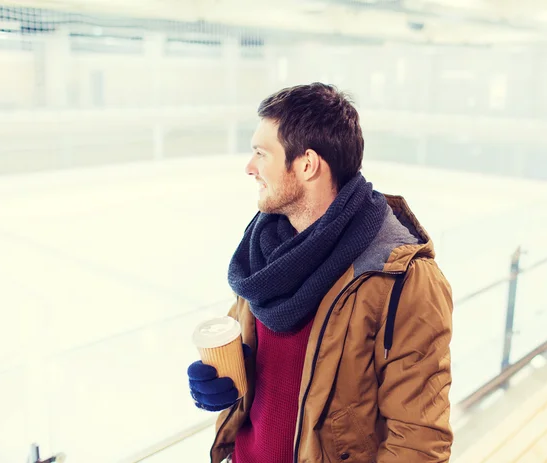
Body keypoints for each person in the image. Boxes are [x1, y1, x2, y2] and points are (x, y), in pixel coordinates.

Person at [187, 83, 453, 463]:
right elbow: (265, 366)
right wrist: (224, 380)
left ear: (307, 164)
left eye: (261, 153)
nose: (249, 167)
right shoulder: (263, 250)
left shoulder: (402, 278)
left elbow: (418, 441)